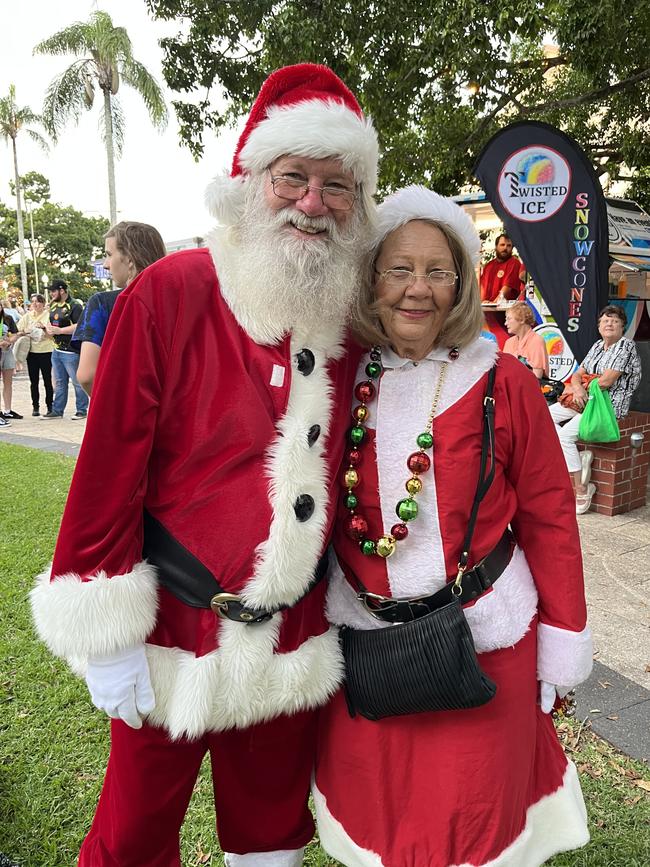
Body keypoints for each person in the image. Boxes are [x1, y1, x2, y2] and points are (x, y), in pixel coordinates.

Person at [30, 63, 378, 867]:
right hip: (170, 626)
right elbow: (110, 463)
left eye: (337, 185)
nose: (312, 202)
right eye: (293, 176)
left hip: (292, 637)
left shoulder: (354, 325)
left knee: (271, 838)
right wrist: (105, 626)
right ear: (251, 179)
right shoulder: (170, 290)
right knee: (130, 838)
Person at [313, 186, 593, 867]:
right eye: (398, 268)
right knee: (381, 818)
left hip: (486, 646)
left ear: (462, 282)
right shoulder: (338, 377)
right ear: (371, 277)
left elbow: (553, 518)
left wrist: (563, 638)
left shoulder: (505, 380)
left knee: (476, 828)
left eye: (437, 270)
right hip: (367, 646)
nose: (418, 289)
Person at [549, 304, 642, 514]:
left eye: (615, 321)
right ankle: (575, 461)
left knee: (564, 436)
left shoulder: (626, 346)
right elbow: (577, 373)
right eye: (605, 321)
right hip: (586, 399)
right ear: (599, 326)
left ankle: (582, 488)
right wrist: (577, 387)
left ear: (622, 327)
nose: (610, 324)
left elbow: (607, 381)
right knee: (543, 417)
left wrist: (582, 388)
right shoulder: (598, 346)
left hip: (608, 405)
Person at [72, 221, 167, 394]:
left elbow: (87, 375)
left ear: (130, 258)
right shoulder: (179, 303)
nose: (106, 264)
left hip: (127, 413)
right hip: (176, 416)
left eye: (109, 254)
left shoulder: (102, 303)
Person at [42, 280, 89, 420]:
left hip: (71, 350)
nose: (51, 294)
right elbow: (52, 323)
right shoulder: (53, 305)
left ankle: (81, 409)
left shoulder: (75, 305)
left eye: (53, 291)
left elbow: (80, 325)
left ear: (62, 291)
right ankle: (57, 410)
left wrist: (60, 330)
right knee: (60, 382)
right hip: (56, 349)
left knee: (77, 381)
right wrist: (47, 329)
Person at [16, 295, 54, 416]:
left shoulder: (48, 315)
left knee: (48, 380)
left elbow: (52, 334)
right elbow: (18, 330)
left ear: (43, 303)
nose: (35, 304)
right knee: (34, 381)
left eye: (38, 302)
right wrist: (25, 331)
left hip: (46, 350)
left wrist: (43, 328)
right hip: (32, 352)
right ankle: (35, 406)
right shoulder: (27, 316)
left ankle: (50, 405)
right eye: (33, 302)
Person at [503, 300, 549, 378]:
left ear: (522, 319)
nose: (505, 323)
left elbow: (537, 378)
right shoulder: (509, 342)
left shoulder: (537, 341)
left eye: (509, 319)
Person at [480, 232, 525, 302]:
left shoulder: (514, 263)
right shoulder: (489, 266)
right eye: (502, 245)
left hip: (503, 310)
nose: (505, 248)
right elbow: (482, 288)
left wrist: (493, 304)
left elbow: (507, 289)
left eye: (509, 245)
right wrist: (481, 304)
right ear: (496, 247)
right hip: (486, 308)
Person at [0, 303, 21, 422]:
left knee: (8, 382)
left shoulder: (7, 318)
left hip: (6, 351)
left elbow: (15, 333)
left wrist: (9, 341)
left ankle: (7, 410)